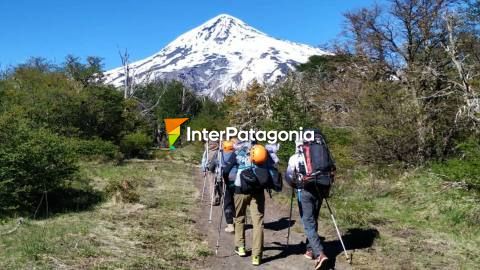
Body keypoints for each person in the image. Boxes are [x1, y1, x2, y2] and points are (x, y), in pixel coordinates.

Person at [285, 130, 336, 270]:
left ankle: (320, 254)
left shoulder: (295, 157)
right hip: (320, 188)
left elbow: (289, 177)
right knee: (314, 218)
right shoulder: (322, 153)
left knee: (308, 222)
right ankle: (310, 250)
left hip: (304, 191)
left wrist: (294, 185)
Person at [232, 141, 281, 266]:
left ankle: (241, 247)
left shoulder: (240, 151)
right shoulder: (263, 152)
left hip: (240, 190)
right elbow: (273, 166)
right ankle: (256, 256)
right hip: (258, 192)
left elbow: (229, 167)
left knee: (239, 218)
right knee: (258, 224)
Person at [220, 140, 237, 233]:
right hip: (238, 180)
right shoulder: (237, 154)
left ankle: (230, 225)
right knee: (237, 200)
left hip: (228, 180)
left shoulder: (220, 154)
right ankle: (237, 220)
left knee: (227, 201)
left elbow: (213, 166)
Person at [201, 140, 221, 205]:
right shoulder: (220, 149)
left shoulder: (207, 150)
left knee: (212, 185)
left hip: (210, 169)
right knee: (219, 184)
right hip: (219, 170)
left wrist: (203, 170)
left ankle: (213, 200)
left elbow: (204, 160)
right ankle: (220, 197)